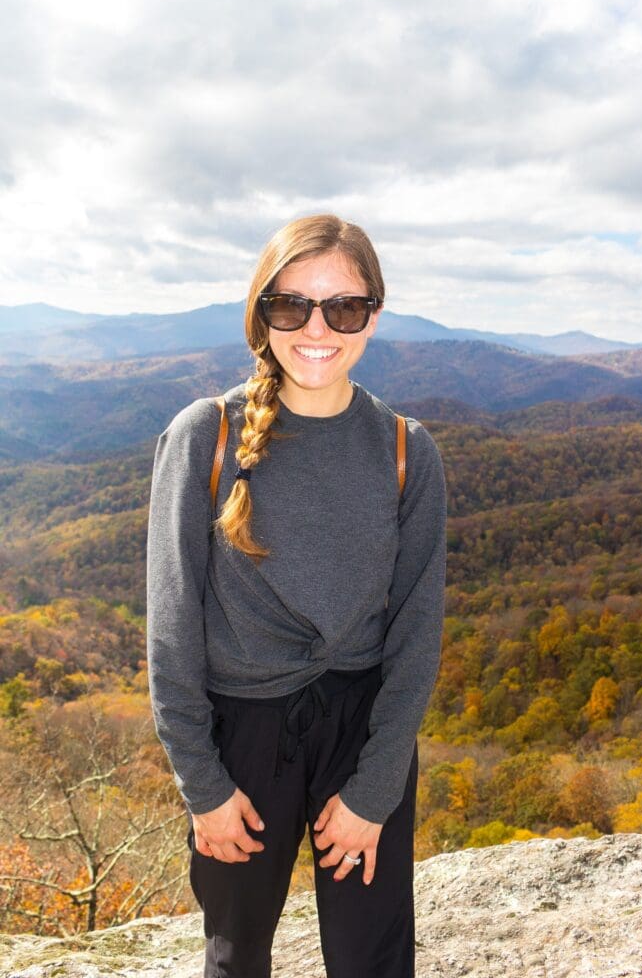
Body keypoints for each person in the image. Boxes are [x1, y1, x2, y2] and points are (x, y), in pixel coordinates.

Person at [146, 213, 447, 978]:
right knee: (236, 954)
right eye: (291, 306)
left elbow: (416, 635)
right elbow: (172, 629)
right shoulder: (204, 435)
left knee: (372, 957)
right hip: (240, 732)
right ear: (262, 314)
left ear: (373, 315)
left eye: (343, 307)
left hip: (363, 729)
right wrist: (203, 786)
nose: (317, 328)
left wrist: (375, 791)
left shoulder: (407, 450)